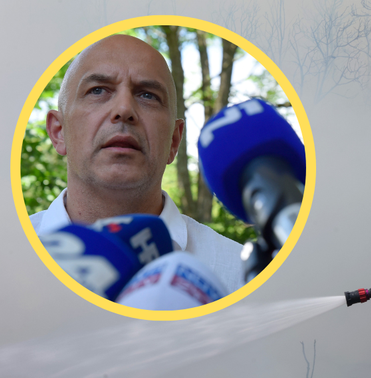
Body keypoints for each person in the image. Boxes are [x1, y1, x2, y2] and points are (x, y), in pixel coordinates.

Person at [30, 34, 244, 294]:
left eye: (148, 95)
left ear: (174, 141)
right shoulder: (10, 259)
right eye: (98, 90)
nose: (124, 108)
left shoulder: (242, 277)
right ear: (58, 131)